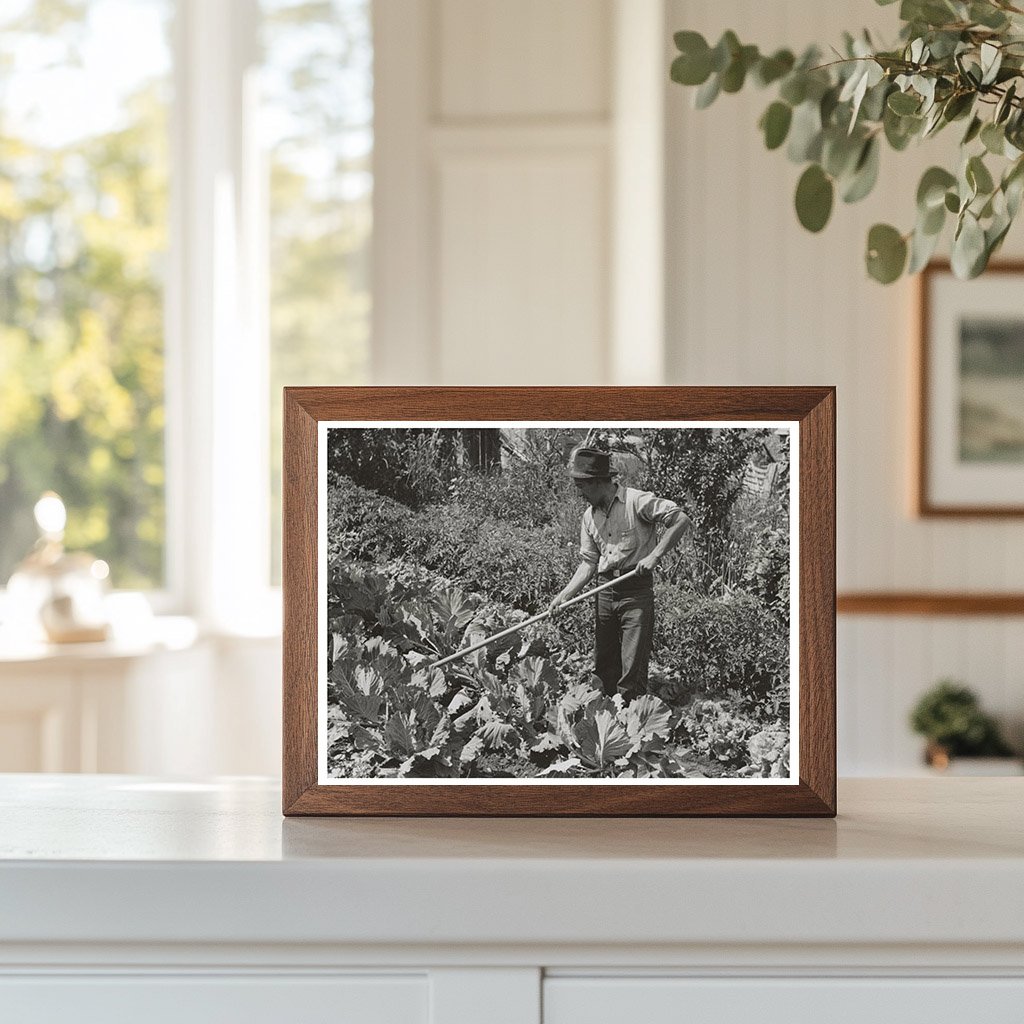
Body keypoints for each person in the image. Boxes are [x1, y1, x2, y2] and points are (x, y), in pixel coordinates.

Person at [549, 447, 691, 701]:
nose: (579, 493)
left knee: (632, 664)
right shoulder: (588, 517)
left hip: (635, 589)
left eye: (582, 486)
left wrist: (655, 555)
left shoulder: (637, 501)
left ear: (598, 481)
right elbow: (588, 563)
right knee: (604, 663)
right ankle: (605, 717)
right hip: (604, 590)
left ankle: (632, 720)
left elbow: (680, 520)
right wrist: (564, 595)